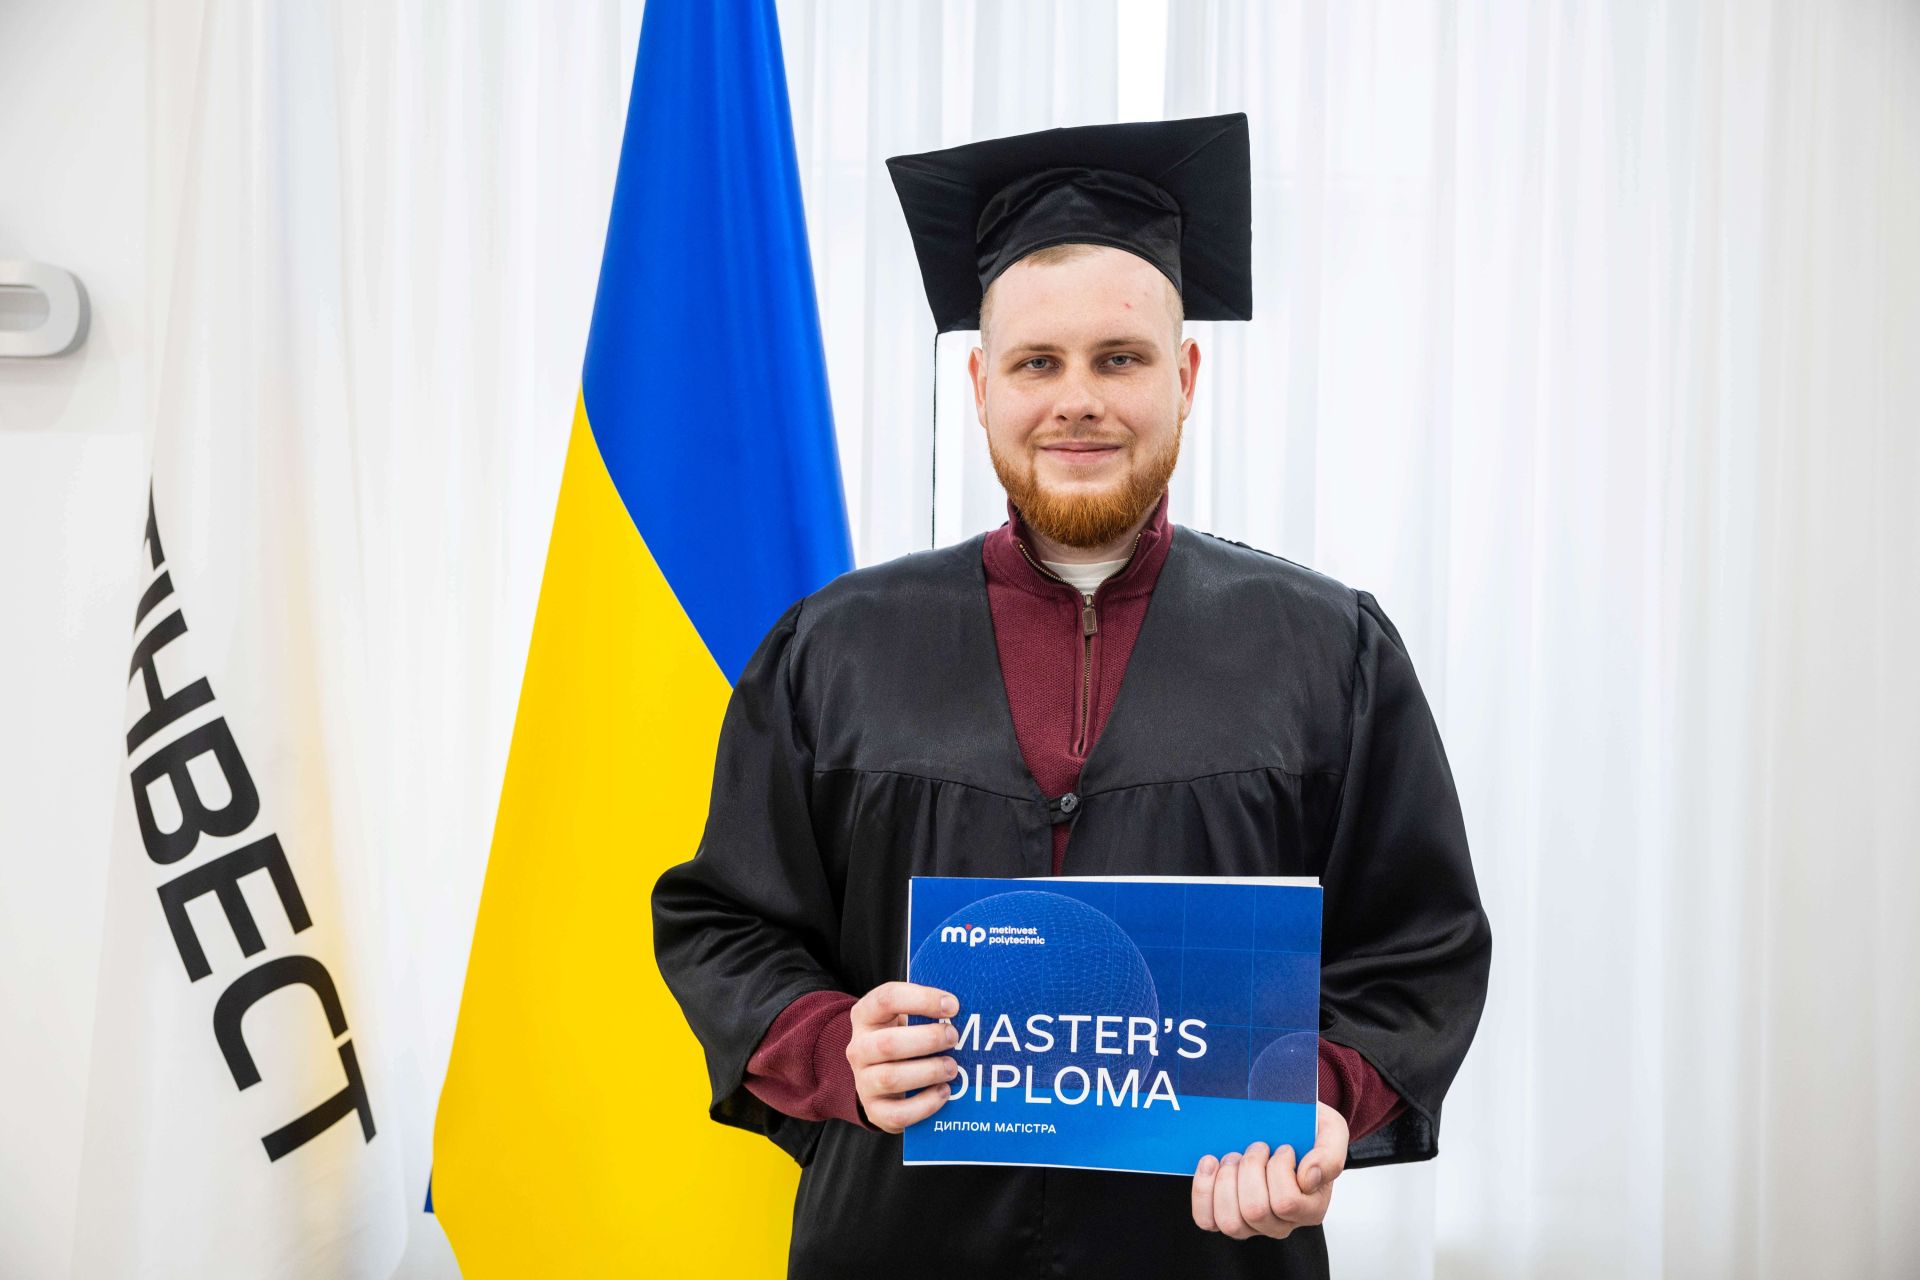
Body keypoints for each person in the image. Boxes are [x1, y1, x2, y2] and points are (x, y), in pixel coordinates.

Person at [652, 112, 1492, 1280]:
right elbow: (724, 922)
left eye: (1120, 358)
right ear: (980, 384)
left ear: (1185, 378)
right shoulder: (835, 648)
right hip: (900, 1249)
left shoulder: (1325, 650)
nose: (1077, 398)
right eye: (1037, 362)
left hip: (1209, 1253)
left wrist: (1319, 1097)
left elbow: (1418, 945)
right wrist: (832, 1043)